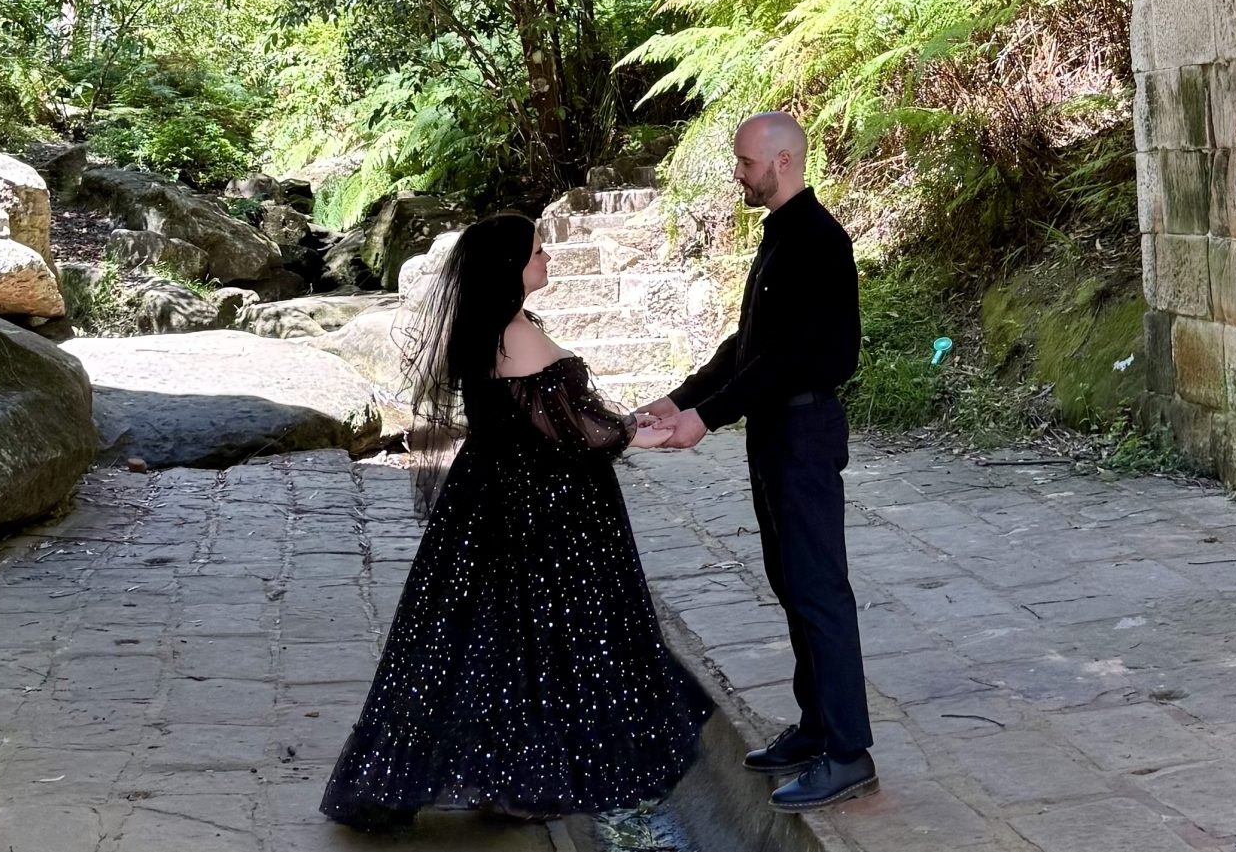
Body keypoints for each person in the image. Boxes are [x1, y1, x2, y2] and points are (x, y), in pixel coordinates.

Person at [321, 212, 711, 831]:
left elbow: (548, 413)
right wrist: (639, 435)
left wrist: (623, 424)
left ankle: (501, 779)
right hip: (539, 505)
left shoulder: (491, 326)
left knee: (487, 639)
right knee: (540, 636)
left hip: (498, 495)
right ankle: (523, 784)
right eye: (536, 252)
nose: (546, 259)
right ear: (509, 267)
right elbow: (565, 427)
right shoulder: (514, 332)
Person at [641, 112, 873, 812]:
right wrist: (680, 398)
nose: (737, 173)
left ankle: (849, 752)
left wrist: (703, 417)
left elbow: (789, 358)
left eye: (746, 162)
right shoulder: (781, 234)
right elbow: (748, 345)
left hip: (803, 431)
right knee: (791, 583)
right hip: (776, 432)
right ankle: (817, 726)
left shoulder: (819, 241)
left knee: (819, 590)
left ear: (783, 161)